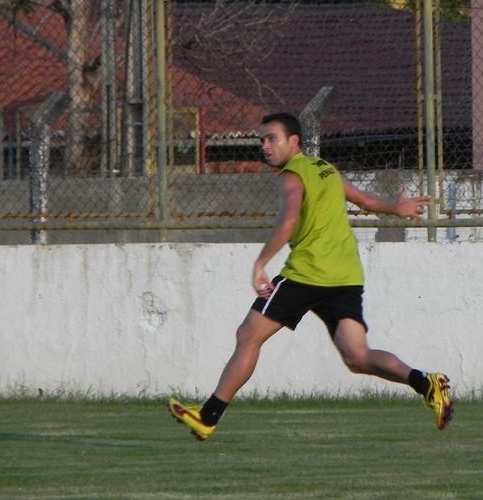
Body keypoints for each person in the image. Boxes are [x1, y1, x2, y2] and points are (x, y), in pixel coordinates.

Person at [169, 112, 453, 440]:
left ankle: (208, 416)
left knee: (248, 336)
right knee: (357, 356)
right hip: (345, 275)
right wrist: (396, 207)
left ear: (294, 142)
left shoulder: (292, 175)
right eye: (262, 139)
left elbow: (289, 220)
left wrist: (261, 263)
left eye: (271, 138)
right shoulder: (325, 169)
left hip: (307, 272)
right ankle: (426, 383)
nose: (264, 145)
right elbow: (363, 199)